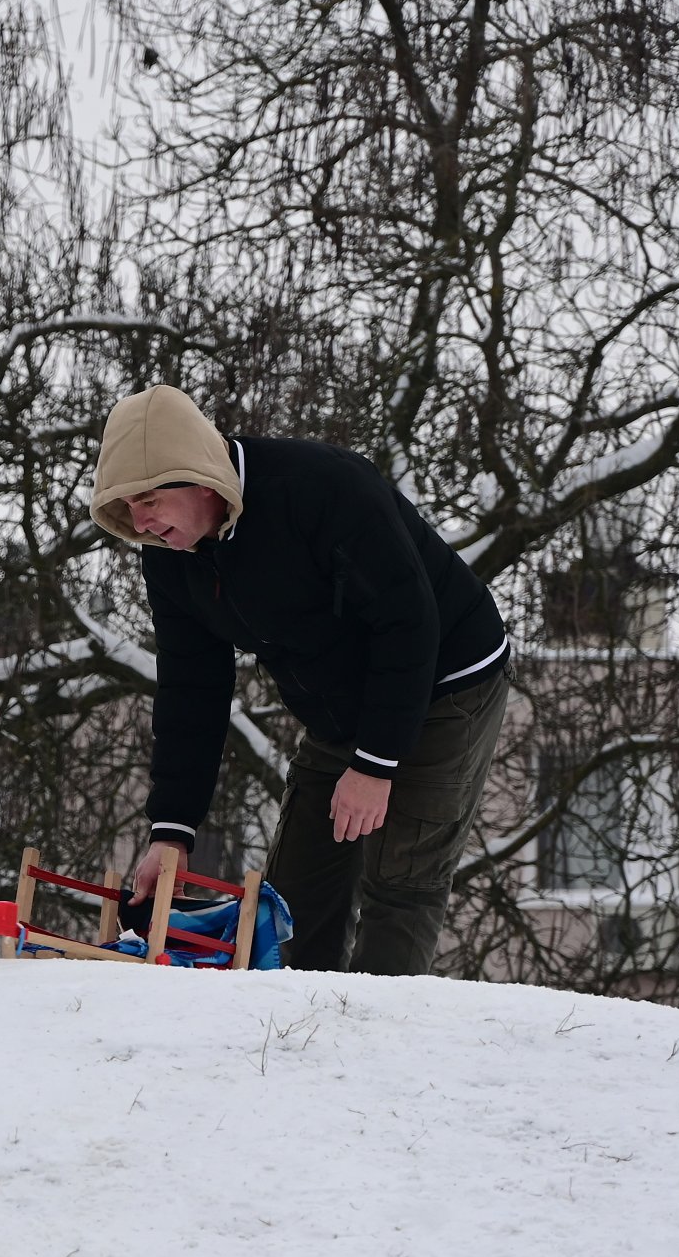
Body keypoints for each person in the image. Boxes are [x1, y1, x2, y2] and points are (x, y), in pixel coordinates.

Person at [88, 385, 511, 976]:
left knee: (400, 881)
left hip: (446, 678)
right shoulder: (169, 555)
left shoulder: (323, 489)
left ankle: (374, 1042)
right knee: (294, 895)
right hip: (337, 701)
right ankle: (295, 1038)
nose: (141, 521)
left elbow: (408, 623)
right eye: (128, 506)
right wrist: (172, 829)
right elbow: (191, 685)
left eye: (151, 498)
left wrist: (375, 764)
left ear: (202, 479)